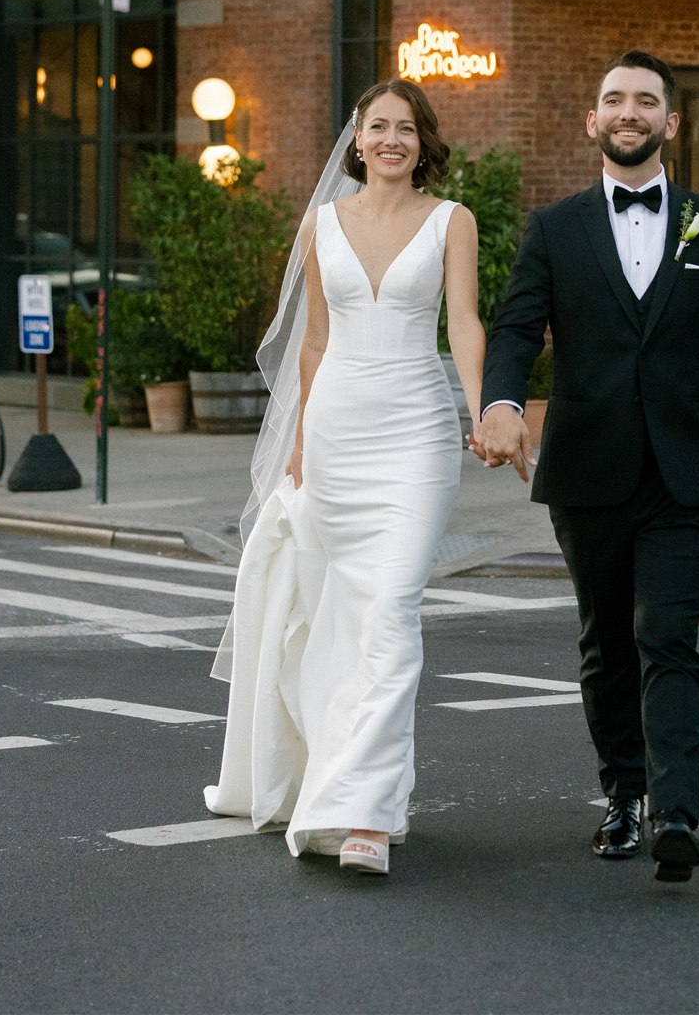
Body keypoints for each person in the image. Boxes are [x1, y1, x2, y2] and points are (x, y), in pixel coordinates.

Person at [479, 50, 699, 884]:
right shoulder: (553, 228)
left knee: (665, 636)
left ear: (670, 123)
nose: (628, 112)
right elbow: (513, 330)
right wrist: (500, 403)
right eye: (614, 100)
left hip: (689, 475)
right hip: (588, 472)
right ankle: (624, 797)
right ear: (592, 121)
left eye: (645, 101)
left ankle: (677, 811)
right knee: (607, 643)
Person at [205, 78, 486, 876]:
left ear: (421, 142)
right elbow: (315, 345)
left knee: (390, 610)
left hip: (416, 435)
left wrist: (482, 410)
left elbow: (463, 322)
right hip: (333, 436)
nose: (391, 140)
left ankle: (364, 813)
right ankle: (331, 781)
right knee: (336, 620)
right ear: (356, 141)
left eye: (405, 128)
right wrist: (297, 440)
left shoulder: (450, 222)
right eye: (377, 127)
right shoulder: (319, 225)